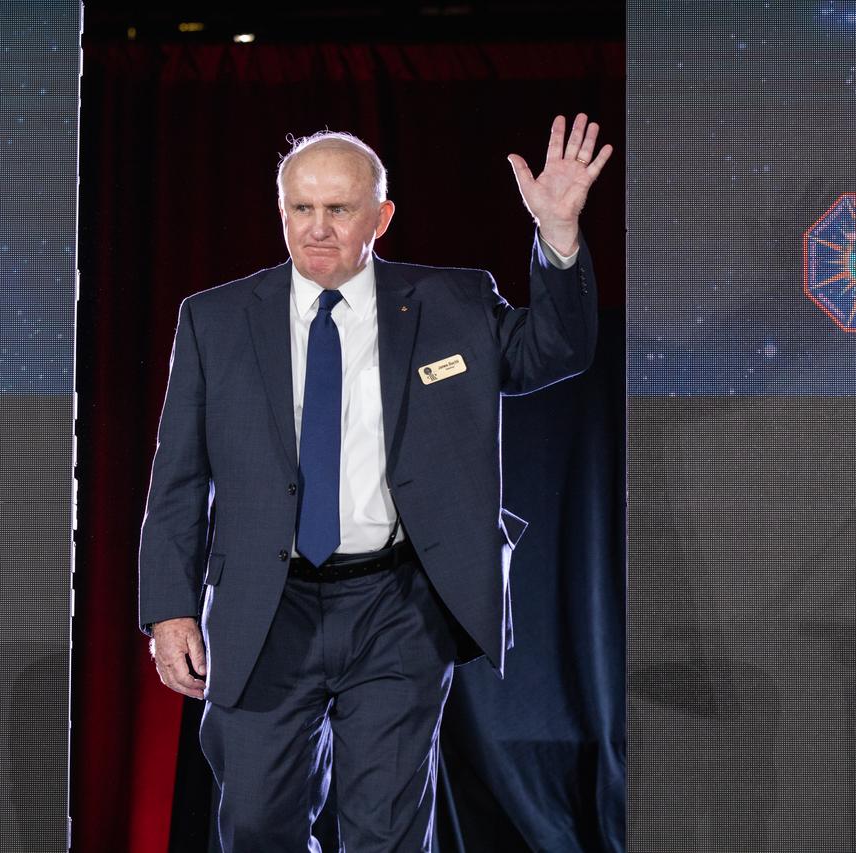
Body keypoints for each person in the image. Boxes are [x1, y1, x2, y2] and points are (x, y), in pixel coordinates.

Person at [139, 114, 612, 851]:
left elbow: (557, 349)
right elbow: (177, 477)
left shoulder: (450, 303)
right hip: (267, 605)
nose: (317, 228)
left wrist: (556, 235)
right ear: (281, 211)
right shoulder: (215, 319)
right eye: (301, 208)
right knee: (259, 820)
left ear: (380, 215)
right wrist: (169, 608)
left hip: (398, 603)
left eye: (338, 209)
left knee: (385, 828)